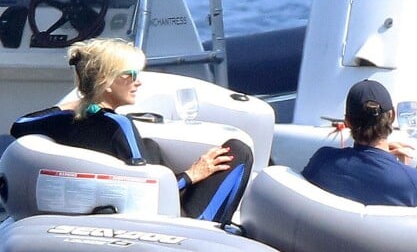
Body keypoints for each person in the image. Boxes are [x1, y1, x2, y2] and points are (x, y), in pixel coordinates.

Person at [10, 38, 253, 224]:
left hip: (103, 209)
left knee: (150, 145)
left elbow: (18, 125)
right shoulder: (119, 126)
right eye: (131, 74)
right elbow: (146, 189)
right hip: (176, 220)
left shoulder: (61, 121)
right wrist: (193, 173)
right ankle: (220, 231)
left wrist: (78, 104)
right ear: (106, 80)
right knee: (239, 151)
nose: (138, 81)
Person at [302, 79, 417, 206]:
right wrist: (399, 168)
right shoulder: (415, 183)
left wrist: (387, 161)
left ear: (347, 122)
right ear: (392, 116)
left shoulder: (321, 160)